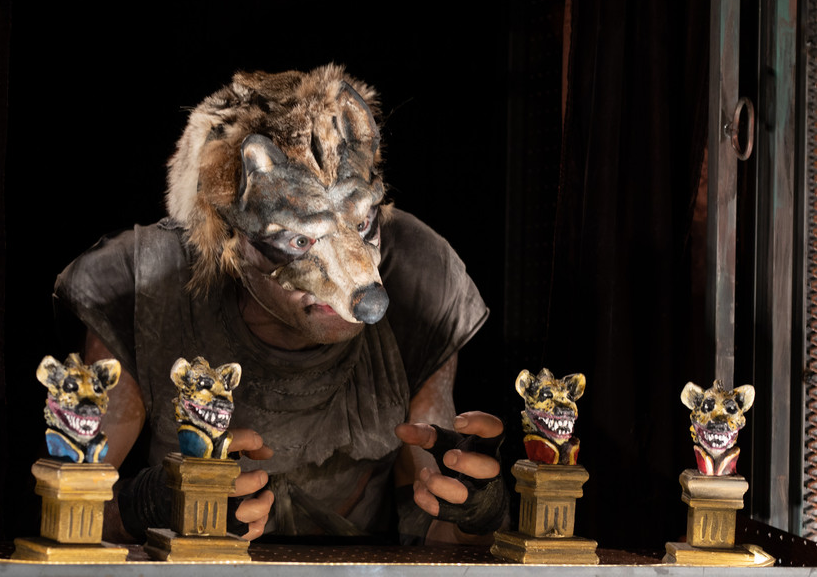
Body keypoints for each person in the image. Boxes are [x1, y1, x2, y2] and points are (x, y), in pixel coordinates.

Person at [54, 65, 507, 545]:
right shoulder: (142, 286)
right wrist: (153, 503)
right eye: (301, 240)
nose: (359, 282)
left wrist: (473, 510)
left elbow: (435, 528)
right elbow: (70, 511)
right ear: (230, 241)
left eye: (361, 224)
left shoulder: (421, 278)